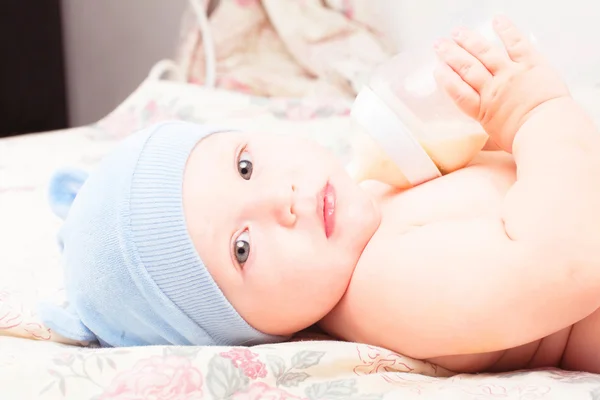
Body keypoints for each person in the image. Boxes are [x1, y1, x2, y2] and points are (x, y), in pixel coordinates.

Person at [39, 16, 600, 373]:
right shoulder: (380, 290)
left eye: (244, 165)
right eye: (241, 248)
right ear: (250, 331)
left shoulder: (370, 199)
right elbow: (566, 263)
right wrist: (534, 113)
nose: (279, 201)